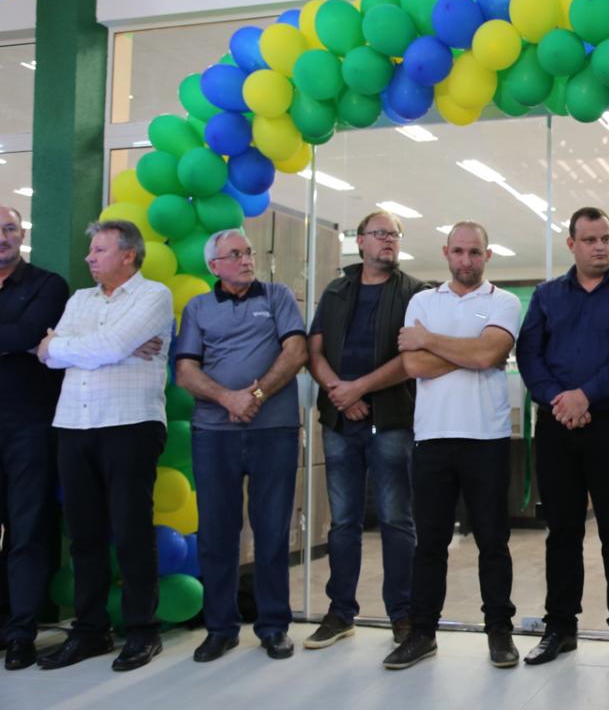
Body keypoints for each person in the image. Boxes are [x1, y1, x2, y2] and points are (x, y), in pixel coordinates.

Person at [516, 207, 609, 673]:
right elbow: (529, 354)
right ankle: (561, 627)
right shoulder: (547, 295)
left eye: (606, 239)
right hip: (558, 427)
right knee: (563, 531)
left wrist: (584, 396)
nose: (600, 247)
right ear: (571, 244)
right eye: (591, 239)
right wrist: (559, 398)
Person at [35, 220, 173, 672]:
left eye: (98, 250)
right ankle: (90, 631)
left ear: (127, 255)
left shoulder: (153, 295)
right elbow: (46, 355)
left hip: (130, 424)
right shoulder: (80, 299)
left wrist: (72, 346)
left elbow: (105, 345)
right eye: (90, 250)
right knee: (85, 535)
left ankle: (142, 631)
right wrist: (99, 348)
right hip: (74, 424)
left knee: (132, 531)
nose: (89, 258)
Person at [384, 221, 521, 670]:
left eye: (475, 252)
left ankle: (499, 632)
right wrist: (466, 351)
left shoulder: (503, 301)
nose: (466, 260)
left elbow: (489, 355)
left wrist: (432, 342)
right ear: (446, 252)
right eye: (459, 251)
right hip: (433, 438)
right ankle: (422, 633)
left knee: (493, 542)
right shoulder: (422, 300)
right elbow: (413, 364)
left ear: (488, 254)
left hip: (487, 438)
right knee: (430, 544)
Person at [174, 230, 308, 663]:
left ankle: (273, 626)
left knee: (271, 531)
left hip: (275, 431)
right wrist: (229, 398)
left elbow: (296, 351)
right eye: (235, 254)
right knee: (216, 534)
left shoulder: (277, 295)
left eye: (248, 252)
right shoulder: (198, 308)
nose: (246, 259)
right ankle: (220, 628)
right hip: (215, 435)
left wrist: (256, 395)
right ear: (214, 265)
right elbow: (186, 372)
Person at [304, 210, 428, 650]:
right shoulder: (336, 290)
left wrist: (359, 388)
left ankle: (403, 615)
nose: (388, 241)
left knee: (397, 520)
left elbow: (413, 357)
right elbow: (313, 349)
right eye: (380, 234)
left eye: (394, 235)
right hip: (339, 420)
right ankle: (340, 613)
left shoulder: (415, 293)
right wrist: (339, 391)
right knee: (343, 523)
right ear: (360, 241)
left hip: (392, 419)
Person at [0, 206, 68, 670]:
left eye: (8, 229)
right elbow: (19, 336)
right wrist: (14, 339)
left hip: (28, 425)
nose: (2, 237)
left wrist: (21, 337)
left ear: (22, 234)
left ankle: (21, 631)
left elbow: (30, 332)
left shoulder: (48, 284)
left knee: (26, 530)